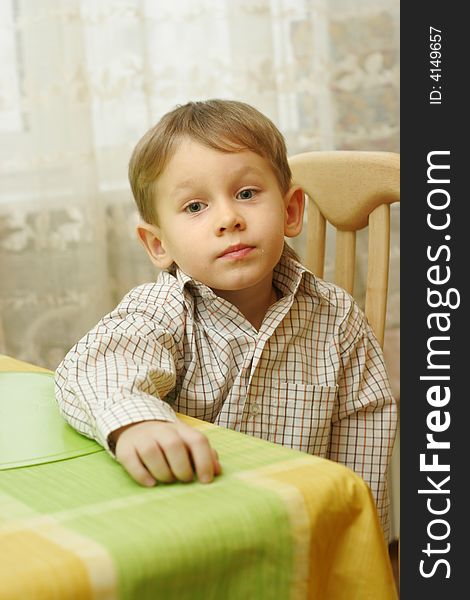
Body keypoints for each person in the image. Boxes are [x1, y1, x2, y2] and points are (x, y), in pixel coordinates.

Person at [55, 99, 397, 538]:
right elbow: (94, 366)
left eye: (246, 194)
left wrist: (366, 545)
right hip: (193, 537)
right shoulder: (164, 312)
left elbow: (364, 451)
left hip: (303, 536)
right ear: (158, 244)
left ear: (290, 211)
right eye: (195, 207)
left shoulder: (337, 318)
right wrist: (139, 422)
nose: (229, 219)